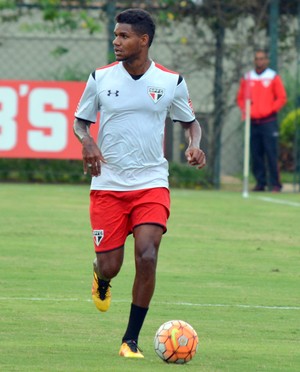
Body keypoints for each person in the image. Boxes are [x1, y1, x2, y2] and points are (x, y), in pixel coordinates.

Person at [73, 8, 206, 359]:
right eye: (116, 36)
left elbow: (190, 122)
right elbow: (80, 123)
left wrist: (194, 145)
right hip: (108, 185)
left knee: (147, 255)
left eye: (123, 36)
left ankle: (129, 340)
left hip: (151, 182)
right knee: (111, 265)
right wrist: (86, 141)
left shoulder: (170, 81)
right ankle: (101, 279)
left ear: (143, 40)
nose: (116, 42)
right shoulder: (100, 78)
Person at [237, 49, 287, 192]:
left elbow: (281, 97)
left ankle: (276, 183)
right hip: (252, 122)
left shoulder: (273, 77)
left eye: (262, 59)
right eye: (257, 59)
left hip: (268, 121)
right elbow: (241, 98)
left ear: (267, 60)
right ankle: (260, 182)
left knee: (271, 152)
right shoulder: (247, 77)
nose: (259, 61)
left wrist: (270, 109)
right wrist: (246, 110)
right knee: (256, 153)